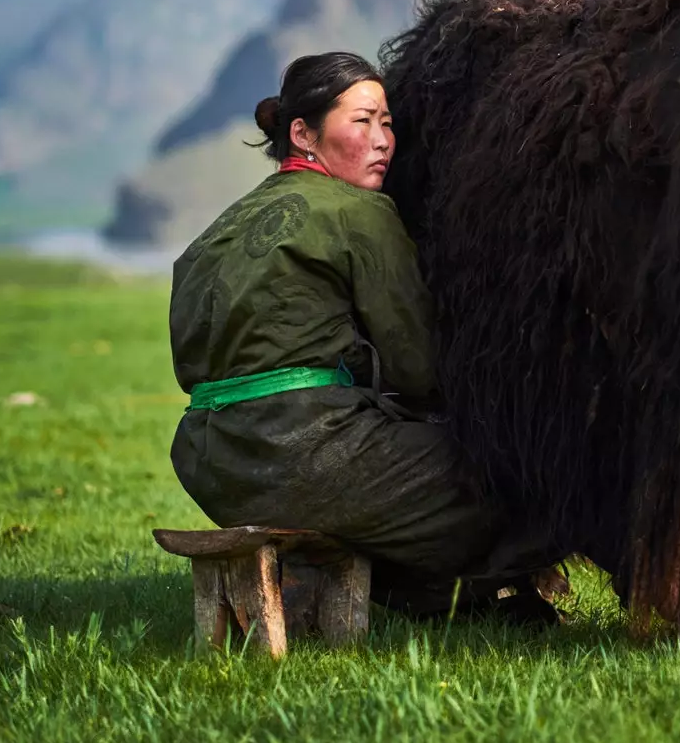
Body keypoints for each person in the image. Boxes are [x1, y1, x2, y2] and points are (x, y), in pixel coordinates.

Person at [167, 50, 564, 623]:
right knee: (529, 472)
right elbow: (419, 369)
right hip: (305, 453)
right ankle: (465, 595)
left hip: (213, 464)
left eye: (388, 122)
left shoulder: (217, 230)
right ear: (302, 133)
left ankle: (447, 599)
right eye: (362, 121)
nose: (382, 140)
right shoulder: (359, 211)